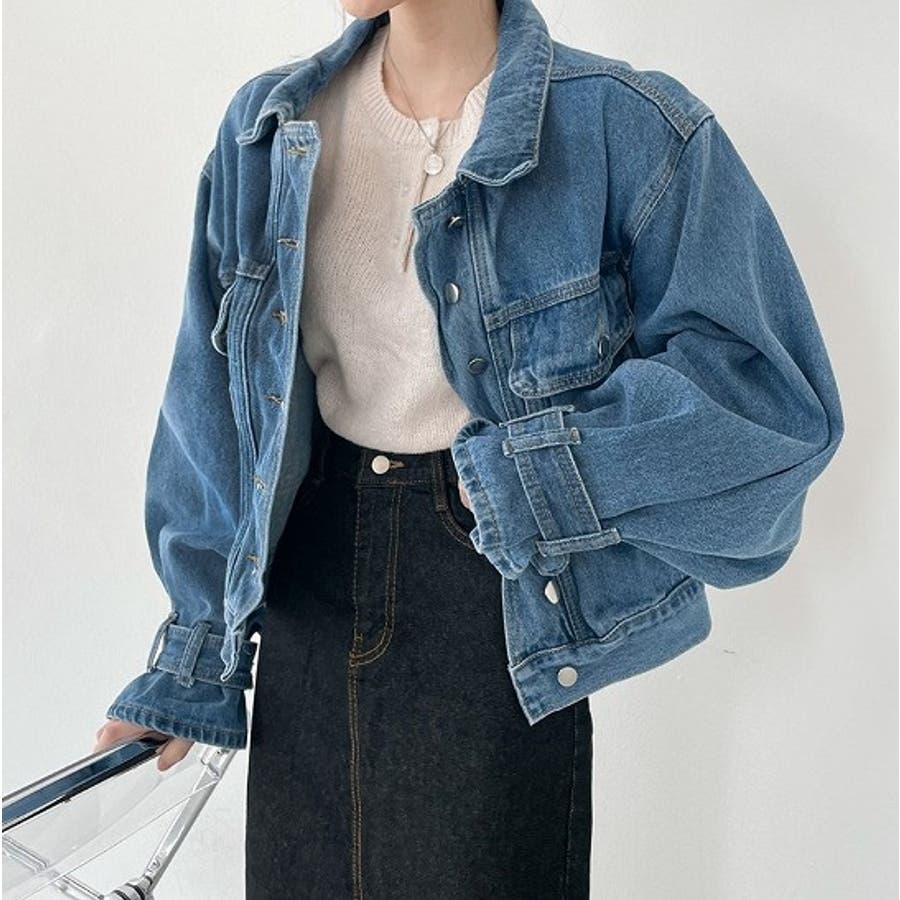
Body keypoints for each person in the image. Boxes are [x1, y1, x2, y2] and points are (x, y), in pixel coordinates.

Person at [93, 0, 845, 896]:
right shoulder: (269, 130)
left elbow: (767, 403)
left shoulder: (626, 126)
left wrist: (535, 480)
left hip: (494, 588)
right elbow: (215, 406)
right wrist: (191, 659)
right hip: (306, 593)